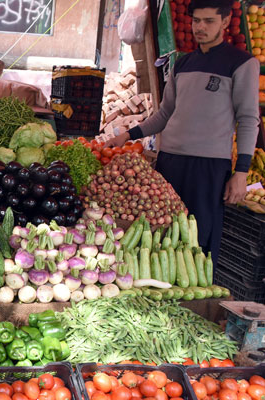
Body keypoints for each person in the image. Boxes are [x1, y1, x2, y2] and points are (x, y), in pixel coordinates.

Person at [105, 0, 259, 264]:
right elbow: (164, 115)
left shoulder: (242, 64)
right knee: (161, 235)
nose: (200, 27)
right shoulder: (182, 64)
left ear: (224, 22)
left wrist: (241, 172)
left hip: (208, 168)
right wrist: (128, 136)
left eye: (209, 21)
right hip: (170, 163)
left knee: (198, 241)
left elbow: (248, 119)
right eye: (196, 20)